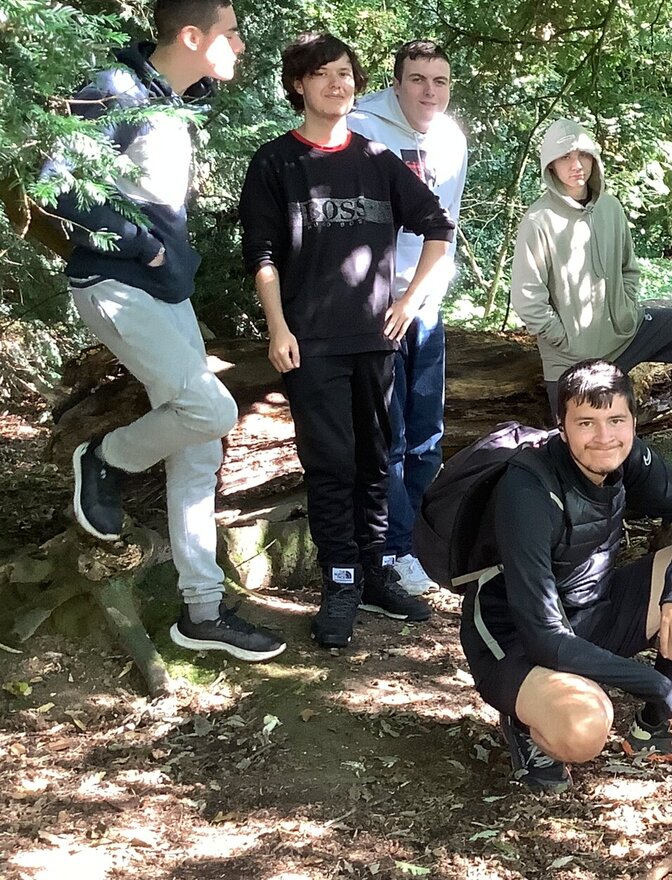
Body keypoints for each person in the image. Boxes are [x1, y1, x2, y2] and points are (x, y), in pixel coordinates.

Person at [48, 0, 284, 661]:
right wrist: (145, 248)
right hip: (115, 287)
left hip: (163, 293)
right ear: (190, 35)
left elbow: (188, 86)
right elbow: (58, 189)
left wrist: (165, 261)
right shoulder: (112, 91)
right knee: (210, 406)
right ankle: (104, 458)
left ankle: (202, 614)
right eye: (230, 34)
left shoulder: (169, 97)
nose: (240, 45)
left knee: (201, 446)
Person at [239, 33, 455, 648]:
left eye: (346, 74)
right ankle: (340, 582)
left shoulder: (377, 157)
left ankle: (376, 572)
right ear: (299, 85)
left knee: (375, 461)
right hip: (310, 344)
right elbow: (263, 255)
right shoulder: (277, 163)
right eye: (323, 74)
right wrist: (278, 327)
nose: (338, 84)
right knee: (331, 465)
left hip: (376, 341)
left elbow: (439, 226)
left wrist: (408, 302)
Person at [458, 360, 672, 792]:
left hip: (593, 612)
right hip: (516, 641)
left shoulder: (627, 457)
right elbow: (543, 637)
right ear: (561, 425)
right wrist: (660, 686)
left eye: (616, 420)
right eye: (586, 422)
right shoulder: (527, 489)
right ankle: (524, 719)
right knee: (586, 728)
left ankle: (655, 728)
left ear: (632, 419)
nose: (604, 437)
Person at [510, 118, 672, 443]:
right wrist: (565, 339)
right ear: (550, 166)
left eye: (582, 155)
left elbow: (629, 268)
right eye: (564, 158)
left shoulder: (610, 207)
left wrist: (625, 308)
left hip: (627, 335)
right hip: (572, 359)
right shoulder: (538, 220)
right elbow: (528, 298)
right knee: (591, 446)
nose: (575, 165)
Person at [348, 39, 468, 597]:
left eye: (439, 81)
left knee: (427, 436)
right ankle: (392, 551)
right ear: (396, 83)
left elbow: (445, 224)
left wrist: (427, 295)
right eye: (418, 79)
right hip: (378, 307)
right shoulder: (363, 129)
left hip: (426, 306)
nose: (429, 91)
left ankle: (417, 541)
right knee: (388, 436)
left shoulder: (451, 139)